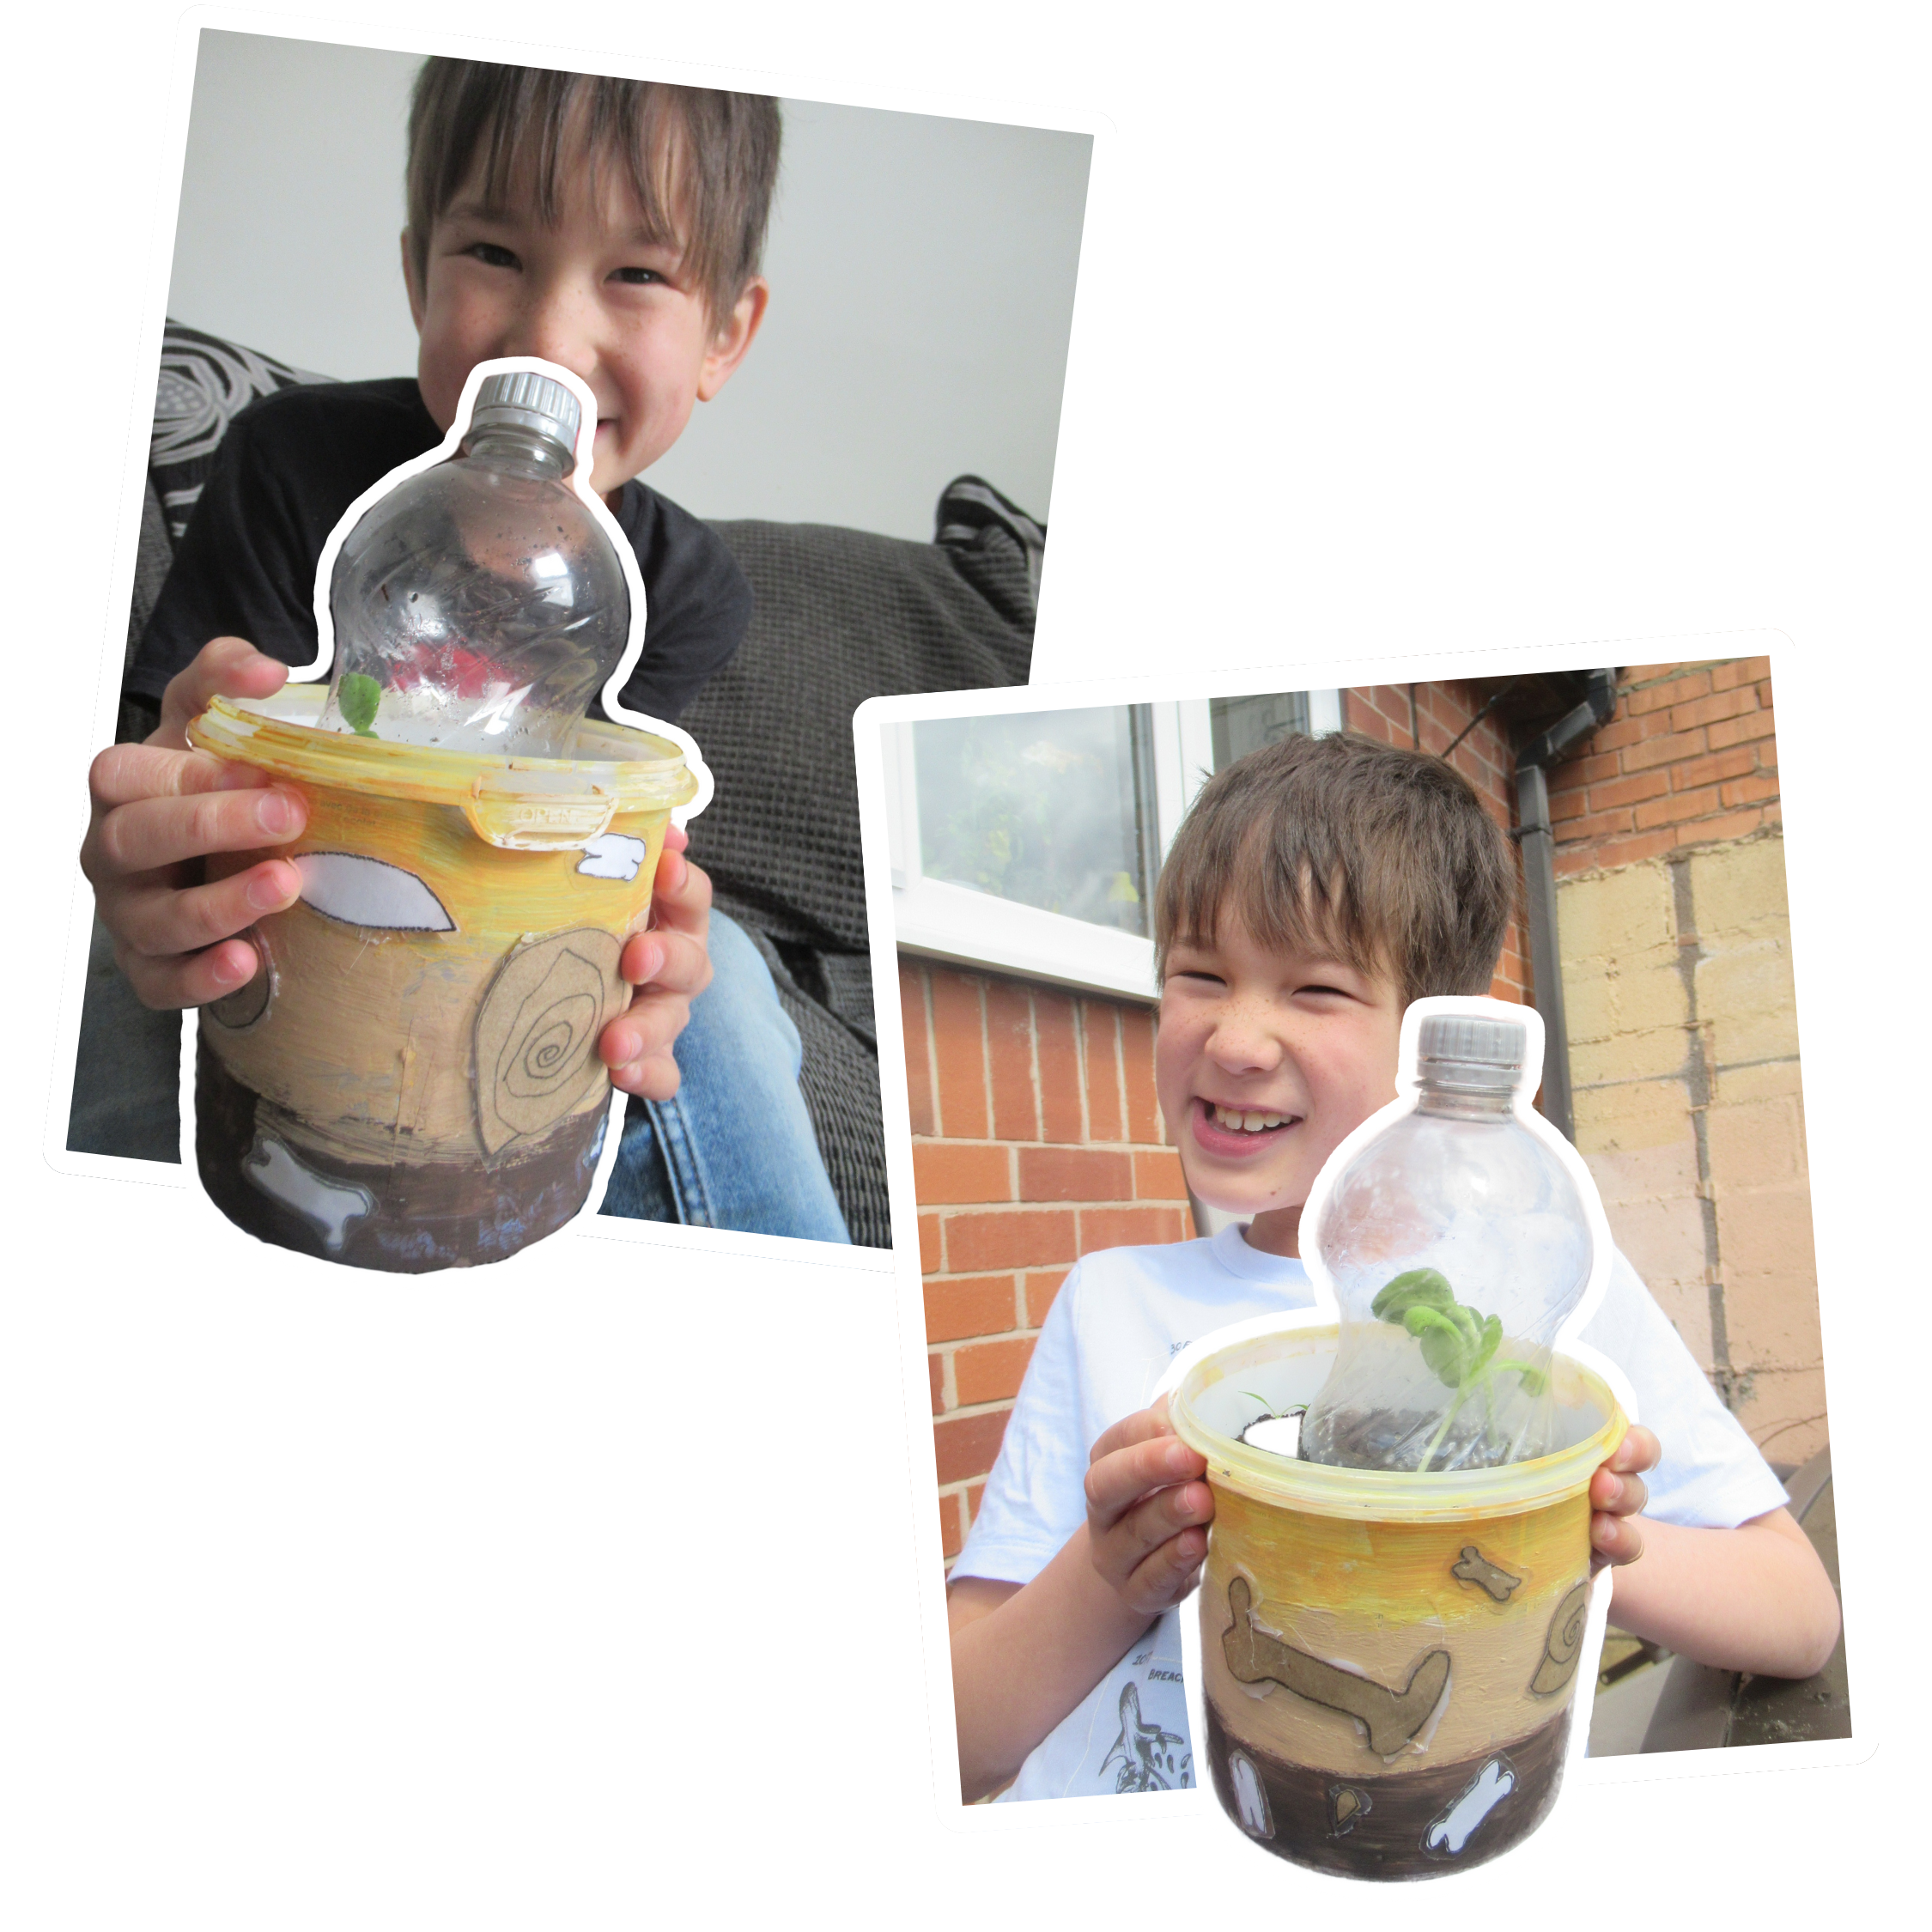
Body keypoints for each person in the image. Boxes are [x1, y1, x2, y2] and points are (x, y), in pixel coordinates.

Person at [945, 730, 1841, 1803]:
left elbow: (1799, 1615)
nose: (1236, 1036)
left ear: (1432, 1043)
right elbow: (964, 1744)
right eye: (1199, 973)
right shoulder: (1110, 1304)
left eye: (1314, 990)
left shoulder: (1546, 1301)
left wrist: (1574, 1535)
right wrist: (1108, 1576)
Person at [83, 62, 849, 1242]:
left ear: (725, 336)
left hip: (501, 950)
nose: (547, 340)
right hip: (296, 916)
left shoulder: (689, 588)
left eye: (637, 274)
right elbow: (165, 762)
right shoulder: (292, 459)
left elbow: (613, 860)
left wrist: (658, 948)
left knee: (731, 983)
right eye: (494, 253)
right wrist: (162, 820)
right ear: (417, 270)